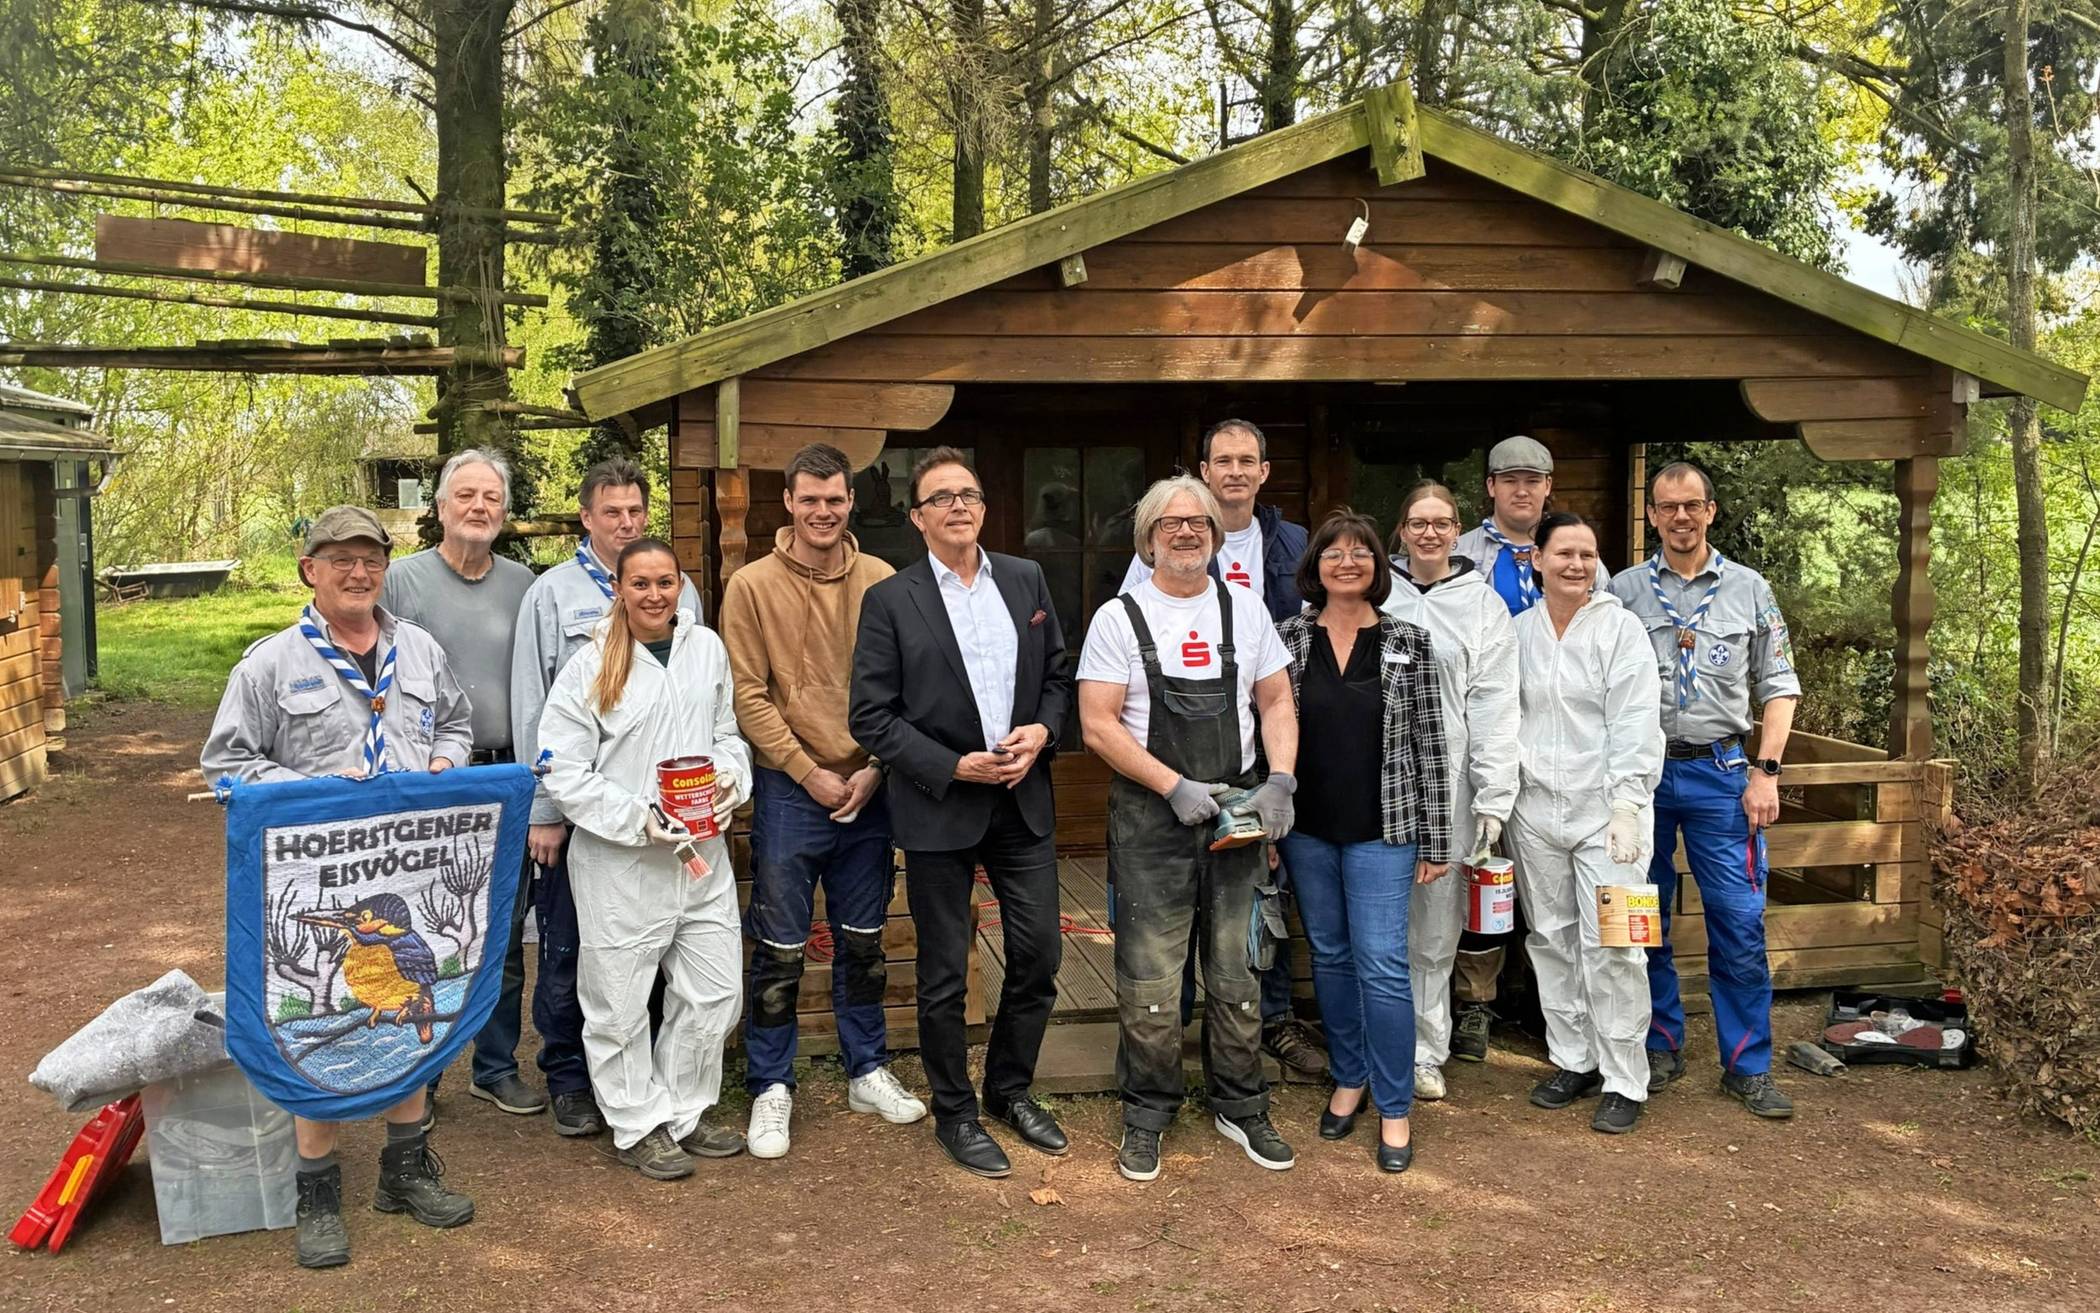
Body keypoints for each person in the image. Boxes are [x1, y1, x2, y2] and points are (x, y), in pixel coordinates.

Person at [201, 505, 476, 1269]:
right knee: (312, 1024)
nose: (359, 573)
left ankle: (404, 1168)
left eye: (371, 559)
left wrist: (443, 768)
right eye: (341, 559)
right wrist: (316, 787)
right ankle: (317, 1188)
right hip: (315, 883)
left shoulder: (417, 649)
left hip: (407, 871)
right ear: (309, 570)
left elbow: (456, 724)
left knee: (406, 1005)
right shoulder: (268, 664)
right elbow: (226, 764)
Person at [849, 447, 1073, 1179]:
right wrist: (952, 766)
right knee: (944, 972)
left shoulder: (1025, 578)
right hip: (939, 805)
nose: (958, 506)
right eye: (940, 497)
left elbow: (1059, 675)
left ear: (982, 507)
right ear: (917, 517)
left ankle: (1008, 1088)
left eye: (968, 494)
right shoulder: (892, 599)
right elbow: (871, 716)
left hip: (1020, 800)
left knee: (1039, 953)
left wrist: (1041, 731)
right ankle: (956, 1110)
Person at [1079, 475, 1300, 1183]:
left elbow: (1276, 701)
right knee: (1151, 974)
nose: (1185, 533)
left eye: (1198, 523)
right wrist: (1170, 785)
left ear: (1214, 534)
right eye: (1171, 524)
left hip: (1235, 812)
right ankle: (1148, 1110)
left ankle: (1241, 1100)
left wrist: (1280, 781)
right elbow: (1096, 723)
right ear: (1149, 538)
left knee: (1239, 968)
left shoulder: (1244, 609)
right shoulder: (1120, 618)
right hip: (1152, 818)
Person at [719, 443, 927, 1159]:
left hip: (869, 785)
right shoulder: (750, 585)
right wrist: (807, 771)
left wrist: (874, 768)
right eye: (810, 498)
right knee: (778, 946)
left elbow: (904, 688)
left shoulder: (882, 579)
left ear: (851, 500)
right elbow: (747, 694)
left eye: (835, 498)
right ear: (789, 501)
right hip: (791, 787)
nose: (823, 511)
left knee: (864, 941)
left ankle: (866, 1066)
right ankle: (771, 1083)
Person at [1117, 419, 1325, 1080]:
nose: (1235, 470)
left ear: (1264, 472)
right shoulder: (1159, 547)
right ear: (1204, 471)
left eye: (1247, 460)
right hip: (1177, 757)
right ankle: (1166, 1026)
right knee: (1169, 907)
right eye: (1222, 460)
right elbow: (1133, 647)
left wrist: (1283, 772)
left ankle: (1266, 1023)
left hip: (1269, 744)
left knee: (1261, 898)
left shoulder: (1295, 544)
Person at [536, 537, 751, 1179]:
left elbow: (726, 735)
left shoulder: (705, 649)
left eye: (666, 582)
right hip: (621, 865)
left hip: (701, 854)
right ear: (618, 590)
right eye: (640, 584)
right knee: (619, 1002)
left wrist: (728, 782)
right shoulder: (589, 665)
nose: (655, 595)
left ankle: (685, 1108)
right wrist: (637, 818)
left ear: (681, 585)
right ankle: (638, 1123)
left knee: (714, 992)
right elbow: (562, 768)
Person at [510, 458, 703, 1138]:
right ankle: (568, 1076)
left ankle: (646, 1079)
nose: (625, 521)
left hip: (669, 821)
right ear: (586, 517)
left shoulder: (684, 593)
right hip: (584, 814)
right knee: (570, 949)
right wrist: (544, 812)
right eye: (610, 511)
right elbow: (534, 705)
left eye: (634, 510)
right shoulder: (553, 595)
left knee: (654, 952)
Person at [1609, 462, 1802, 1119]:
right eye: (1668, 507)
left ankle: (1746, 1064)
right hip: (1642, 774)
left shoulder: (1750, 589)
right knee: (1640, 915)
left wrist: (1765, 770)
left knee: (1739, 921)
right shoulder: (1623, 589)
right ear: (1653, 515)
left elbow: (1779, 686)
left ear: (1711, 511)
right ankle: (1658, 1044)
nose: (1680, 517)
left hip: (1723, 774)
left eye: (1692, 505)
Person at [1275, 510, 1451, 1173]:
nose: (1346, 562)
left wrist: (1439, 838)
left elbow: (1432, 745)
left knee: (1382, 962)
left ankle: (1396, 1103)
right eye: (1332, 552)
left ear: (1379, 565)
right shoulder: (1286, 637)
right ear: (1314, 564)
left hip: (1386, 829)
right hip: (1308, 828)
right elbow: (1262, 728)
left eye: (1360, 552)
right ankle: (1349, 1078)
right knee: (1329, 953)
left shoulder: (1409, 639)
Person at [1429, 435, 1608, 1063]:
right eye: (1509, 479)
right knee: (1482, 879)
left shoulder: (1576, 554)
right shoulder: (1464, 554)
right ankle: (1476, 1003)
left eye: (1534, 479)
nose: (1522, 489)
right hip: (1487, 744)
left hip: (1569, 757)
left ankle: (1547, 1007)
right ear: (1490, 487)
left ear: (1549, 485)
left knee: (1555, 896)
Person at [379, 449, 545, 1120]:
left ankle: (495, 1064)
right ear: (441, 506)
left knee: (503, 928)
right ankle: (423, 1068)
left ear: (504, 513)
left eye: (492, 498)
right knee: (424, 932)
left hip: (505, 774)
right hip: (431, 780)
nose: (479, 507)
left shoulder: (524, 583)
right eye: (466, 495)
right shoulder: (400, 581)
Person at [1507, 512, 1663, 1135]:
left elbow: (1635, 720)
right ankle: (1574, 1059)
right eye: (1564, 553)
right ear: (1537, 560)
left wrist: (1628, 802)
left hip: (1613, 815)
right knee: (1550, 937)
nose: (1577, 564)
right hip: (1537, 810)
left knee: (1620, 945)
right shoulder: (1518, 631)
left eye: (1588, 554)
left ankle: (1627, 1075)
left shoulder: (1622, 630)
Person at [1381, 482, 1520, 1103]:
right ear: (1403, 530)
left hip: (1450, 785)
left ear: (1456, 529)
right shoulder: (1377, 591)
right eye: (1418, 522)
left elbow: (1493, 704)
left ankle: (1423, 1050)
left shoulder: (1482, 605)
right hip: (1377, 781)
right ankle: (1373, 1040)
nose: (1429, 533)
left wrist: (1493, 796)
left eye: (1441, 523)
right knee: (1377, 920)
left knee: (1435, 930)